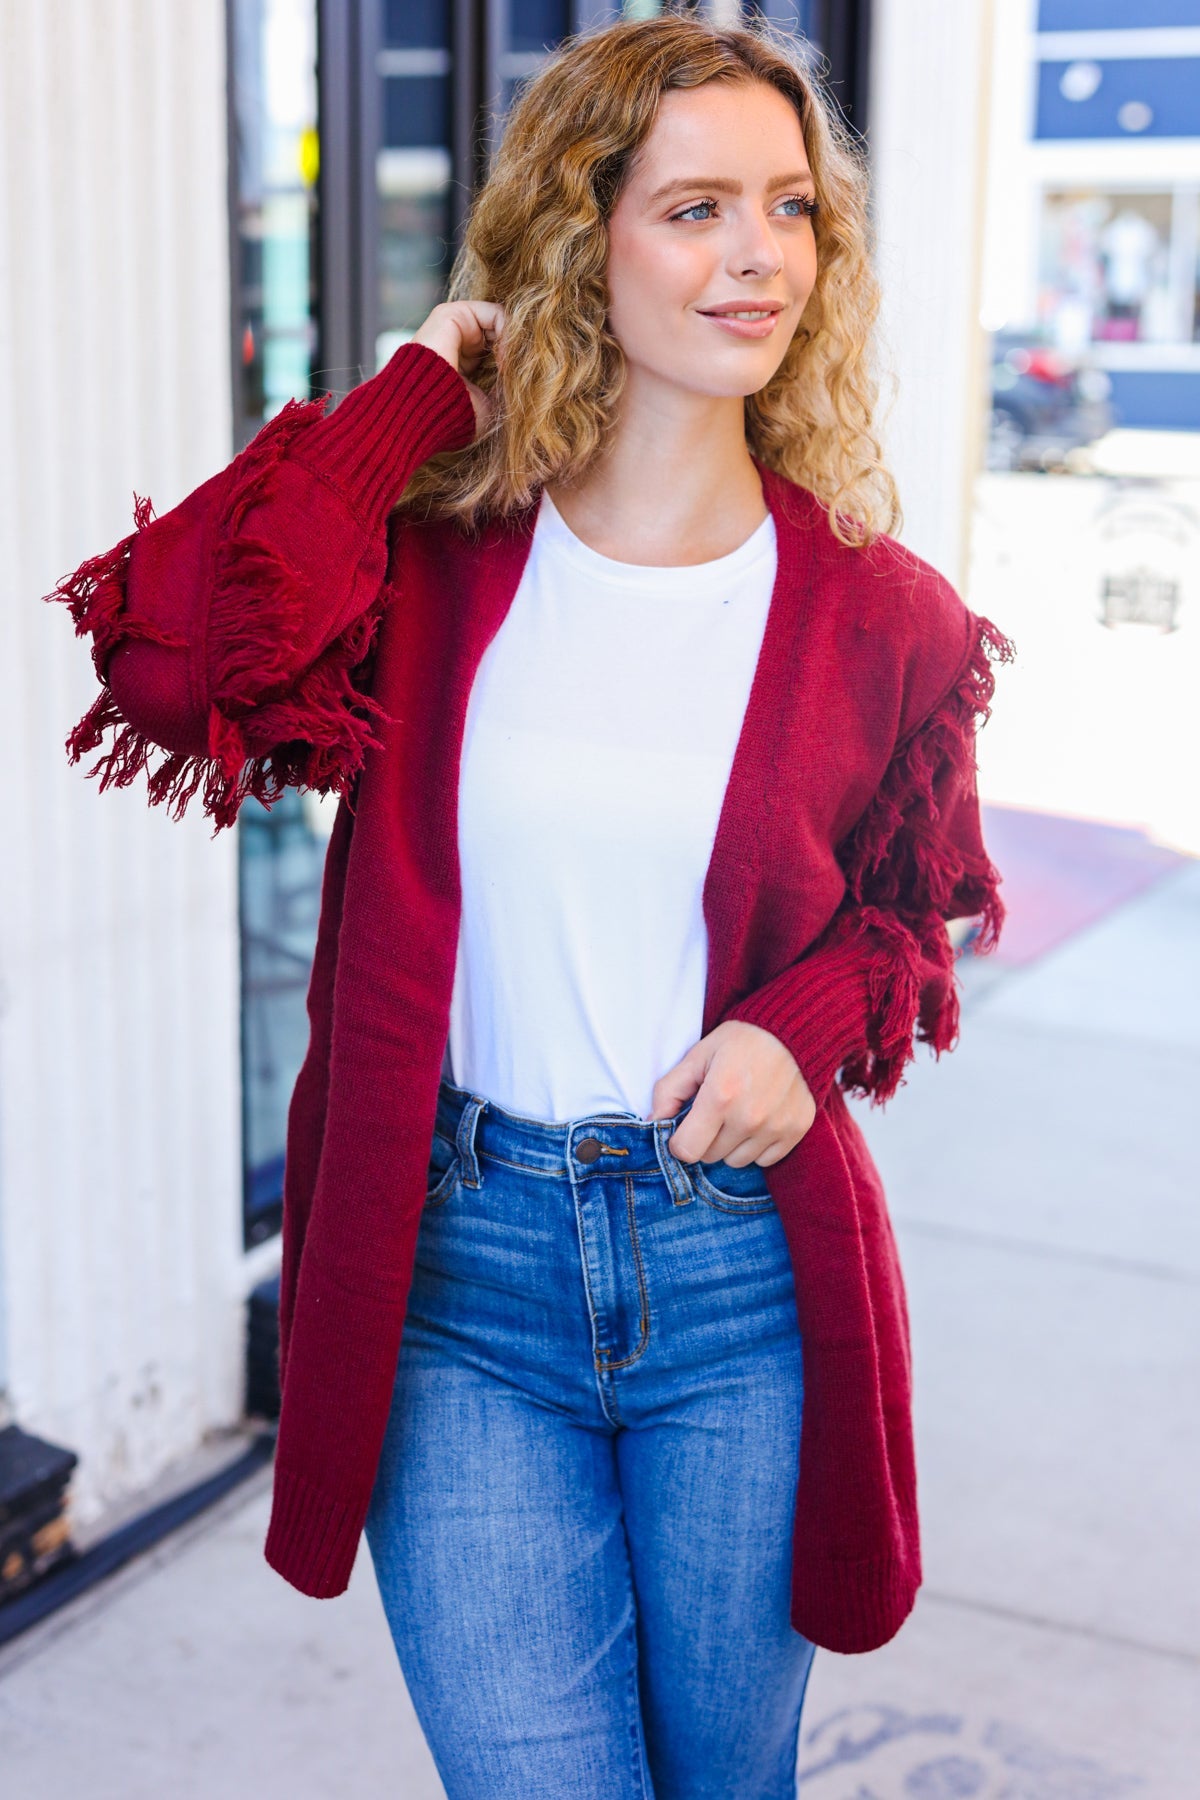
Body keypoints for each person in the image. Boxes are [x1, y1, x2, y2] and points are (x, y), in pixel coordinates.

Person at [43, 12, 1013, 1798]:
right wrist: (422, 383)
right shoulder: (437, 551)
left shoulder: (886, 616)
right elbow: (178, 662)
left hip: (736, 1287)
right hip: (456, 1280)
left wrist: (797, 1036)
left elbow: (906, 919)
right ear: (583, 235)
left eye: (792, 211)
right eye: (695, 208)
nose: (757, 259)